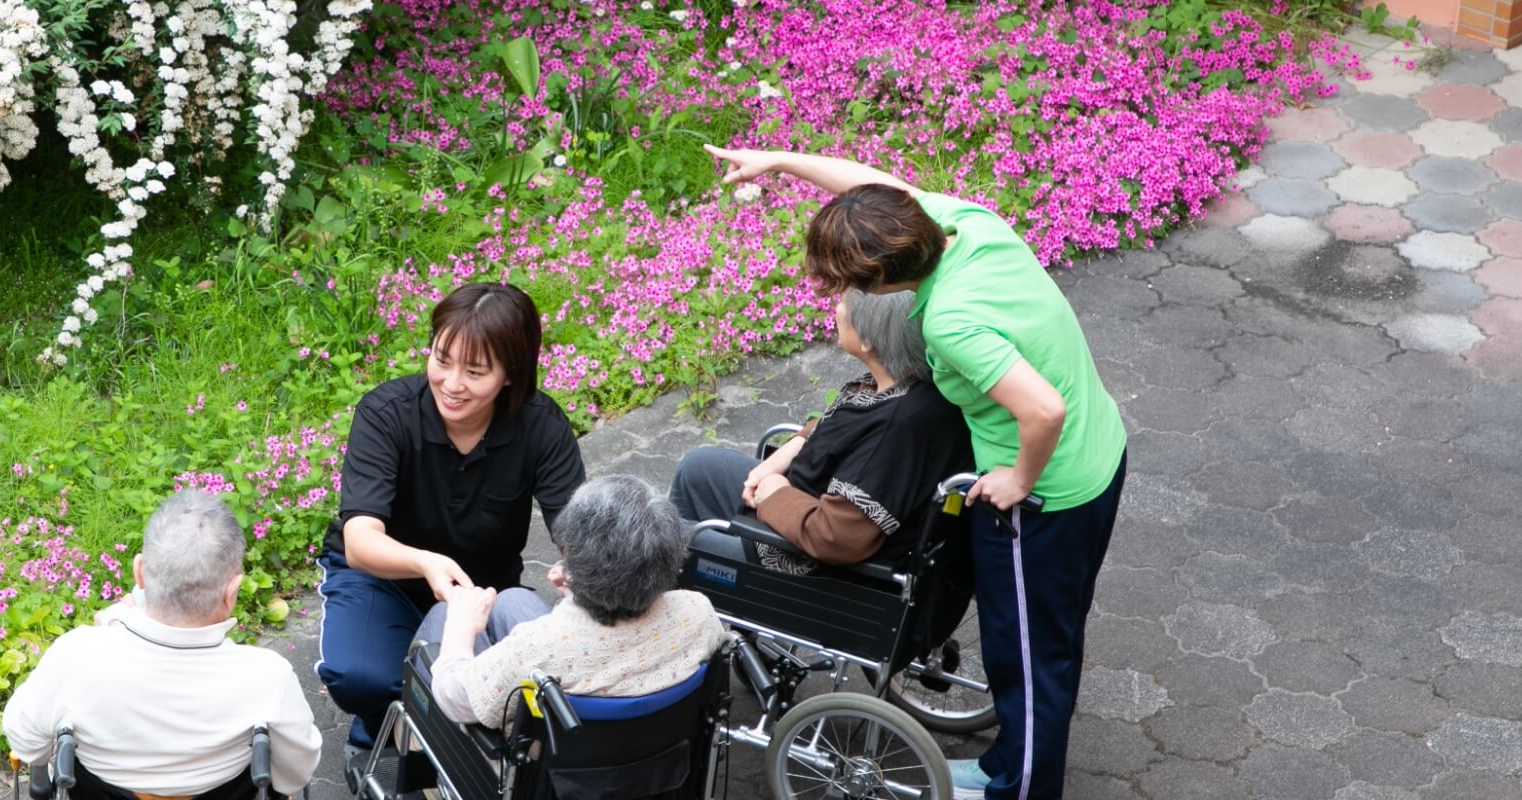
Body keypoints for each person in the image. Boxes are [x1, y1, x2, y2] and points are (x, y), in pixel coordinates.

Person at [707, 145, 1128, 800]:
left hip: (1051, 492)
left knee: (1028, 658)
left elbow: (1042, 411)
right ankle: (1005, 767)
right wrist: (779, 161)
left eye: (847, 286)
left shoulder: (950, 320)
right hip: (1103, 448)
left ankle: (1018, 789)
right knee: (1049, 637)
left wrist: (1018, 482)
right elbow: (876, 184)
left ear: (880, 283)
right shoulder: (963, 224)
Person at [317, 282, 588, 777]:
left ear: (511, 375)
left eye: (476, 371)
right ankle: (375, 734)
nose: (452, 383)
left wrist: (578, 567)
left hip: (482, 589)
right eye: (442, 360)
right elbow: (359, 541)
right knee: (363, 675)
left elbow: (578, 530)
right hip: (385, 577)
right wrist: (424, 561)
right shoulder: (386, 414)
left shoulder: (542, 427)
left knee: (531, 676)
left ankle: (464, 752)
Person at [1, 490, 321, 799]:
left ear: (139, 572)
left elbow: (28, 744)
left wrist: (110, 627)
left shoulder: (75, 657)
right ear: (232, 591)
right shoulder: (268, 677)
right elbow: (295, 774)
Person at [668, 288, 975, 573]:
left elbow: (838, 537)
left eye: (843, 303)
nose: (836, 307)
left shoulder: (897, 431)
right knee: (697, 469)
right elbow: (850, 431)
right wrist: (795, 446)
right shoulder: (915, 384)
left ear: (869, 340)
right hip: (802, 509)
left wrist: (776, 492)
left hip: (804, 568)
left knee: (654, 541)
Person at [419, 475, 729, 730]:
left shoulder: (536, 652)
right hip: (655, 768)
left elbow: (455, 700)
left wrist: (460, 627)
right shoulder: (698, 612)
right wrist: (585, 591)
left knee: (441, 618)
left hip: (544, 775)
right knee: (514, 599)